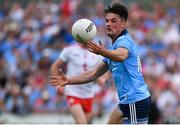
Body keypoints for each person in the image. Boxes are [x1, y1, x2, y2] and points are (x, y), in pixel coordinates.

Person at [50, 2, 151, 124]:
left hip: (135, 101)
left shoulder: (124, 41)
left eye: (113, 21)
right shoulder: (113, 47)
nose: (108, 24)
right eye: (107, 20)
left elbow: (122, 55)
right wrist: (68, 81)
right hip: (125, 102)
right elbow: (93, 74)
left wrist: (102, 51)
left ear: (123, 24)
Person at [50, 42, 106, 124]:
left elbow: (104, 69)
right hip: (73, 92)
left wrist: (103, 78)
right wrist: (58, 85)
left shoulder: (97, 52)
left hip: (89, 93)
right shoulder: (69, 50)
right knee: (82, 122)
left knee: (85, 122)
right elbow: (55, 66)